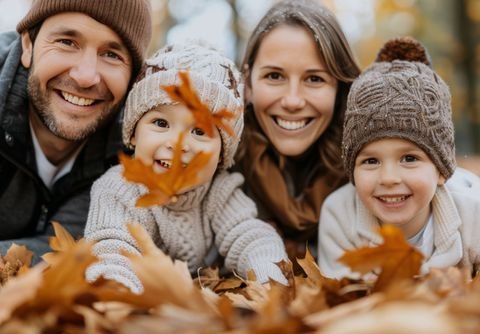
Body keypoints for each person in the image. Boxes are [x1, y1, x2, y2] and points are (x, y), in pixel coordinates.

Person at [84, 42, 289, 294]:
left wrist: (269, 280)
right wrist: (117, 296)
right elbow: (112, 248)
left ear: (222, 153)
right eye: (160, 123)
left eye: (199, 131)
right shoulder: (119, 189)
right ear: (133, 133)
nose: (177, 144)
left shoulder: (220, 192)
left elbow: (251, 237)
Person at [0, 0, 152, 261]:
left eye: (112, 55)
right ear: (28, 46)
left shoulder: (138, 149)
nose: (85, 76)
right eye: (66, 42)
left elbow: (78, 253)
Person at [318, 37, 480, 279]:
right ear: (352, 170)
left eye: (409, 158)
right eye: (371, 161)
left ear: (441, 170)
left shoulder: (472, 214)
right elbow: (342, 299)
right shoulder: (339, 216)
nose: (389, 178)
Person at [235, 0, 361, 260]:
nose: (293, 101)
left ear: (339, 89)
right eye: (274, 76)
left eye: (314, 79)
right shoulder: (218, 165)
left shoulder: (368, 170)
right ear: (247, 83)